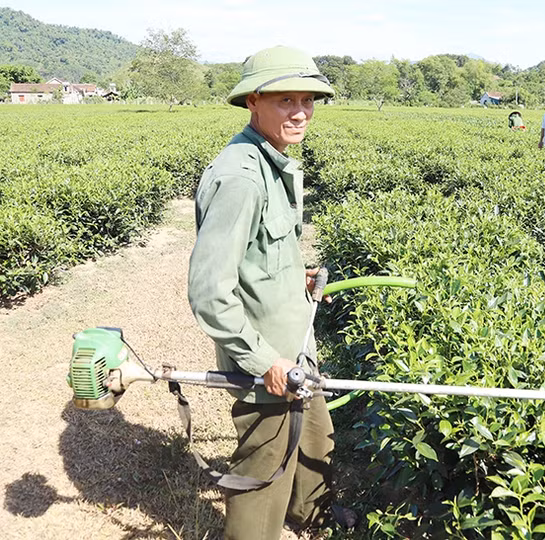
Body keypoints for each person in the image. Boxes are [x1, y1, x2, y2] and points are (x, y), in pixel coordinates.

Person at [187, 46, 354, 540]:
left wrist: (290, 274)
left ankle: (310, 522)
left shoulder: (273, 161)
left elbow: (257, 254)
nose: (300, 111)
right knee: (265, 470)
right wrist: (264, 362)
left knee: (315, 445)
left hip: (297, 349)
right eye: (286, 100)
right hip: (269, 365)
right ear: (254, 102)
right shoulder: (241, 177)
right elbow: (209, 291)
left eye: (308, 100)